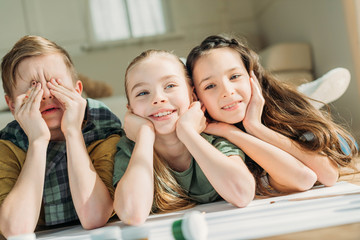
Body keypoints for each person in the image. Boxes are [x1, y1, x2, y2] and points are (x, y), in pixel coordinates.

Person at [186, 35, 358, 195]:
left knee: (335, 139)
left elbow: (328, 175)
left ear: (251, 77)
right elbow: (304, 177)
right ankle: (308, 94)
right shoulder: (210, 141)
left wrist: (255, 127)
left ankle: (304, 94)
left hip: (309, 132)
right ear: (196, 96)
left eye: (235, 76)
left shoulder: (282, 110)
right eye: (210, 86)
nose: (227, 91)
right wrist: (229, 132)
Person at [113, 49, 255, 225]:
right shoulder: (130, 149)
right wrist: (144, 137)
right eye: (142, 93)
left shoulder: (213, 139)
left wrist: (187, 132)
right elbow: (132, 214)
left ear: (193, 95)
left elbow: (242, 194)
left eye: (170, 86)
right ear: (131, 110)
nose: (158, 99)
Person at [0, 35, 122, 238]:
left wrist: (73, 132)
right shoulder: (8, 144)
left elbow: (95, 216)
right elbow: (16, 230)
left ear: (77, 90)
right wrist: (37, 141)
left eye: (54, 82)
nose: (47, 94)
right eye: (33, 87)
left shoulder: (103, 127)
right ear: (13, 106)